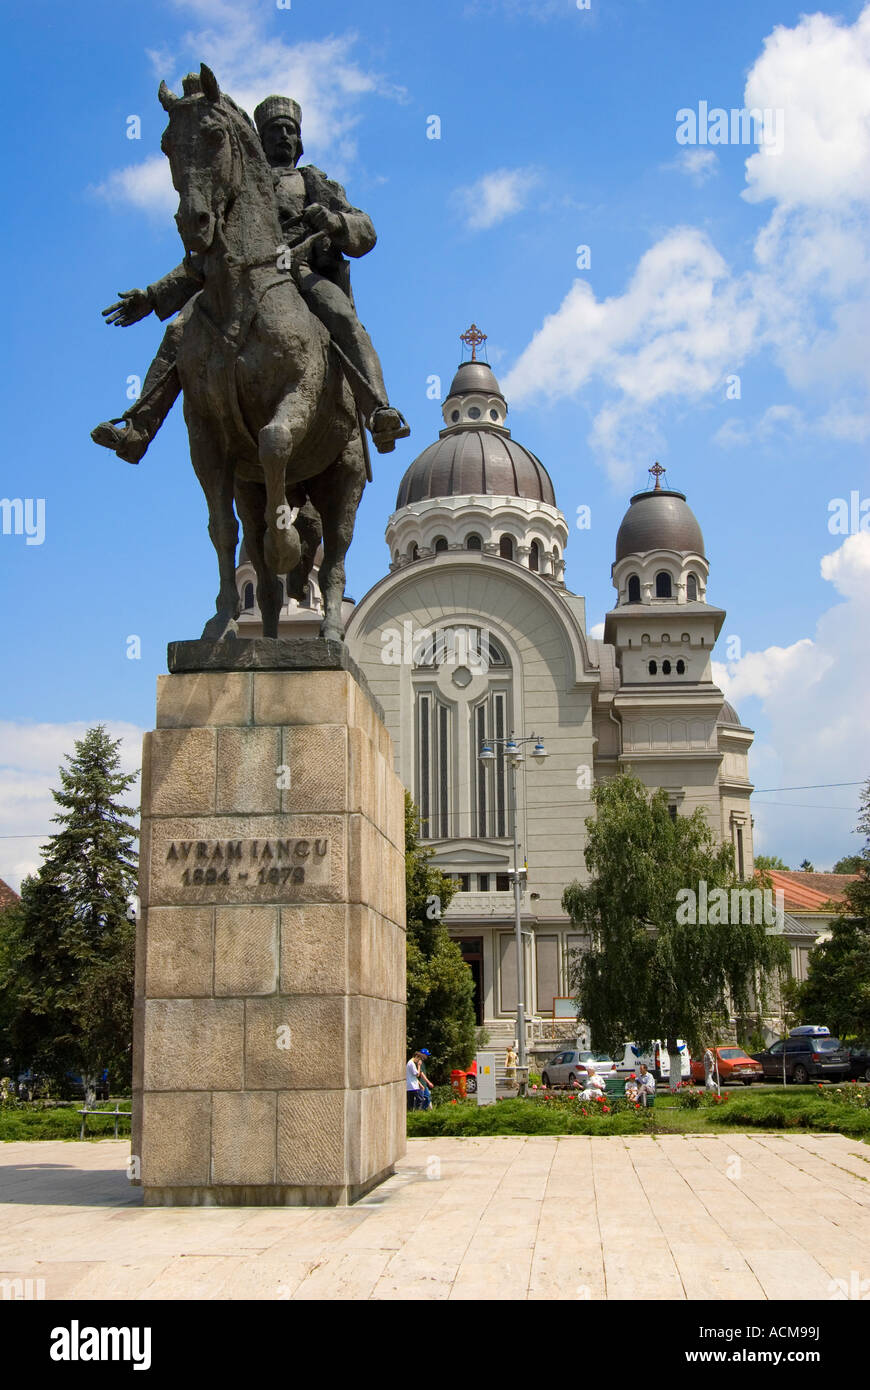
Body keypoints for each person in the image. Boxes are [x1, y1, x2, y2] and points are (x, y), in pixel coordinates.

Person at [92, 86, 409, 464]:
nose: (284, 137)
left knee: (341, 315)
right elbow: (205, 256)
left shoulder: (311, 181)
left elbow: (365, 230)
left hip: (299, 272)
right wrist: (153, 295)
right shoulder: (234, 187)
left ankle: (379, 410)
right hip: (236, 283)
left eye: (290, 130)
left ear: (300, 138)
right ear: (259, 139)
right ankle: (139, 428)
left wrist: (334, 220)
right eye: (275, 130)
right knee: (180, 331)